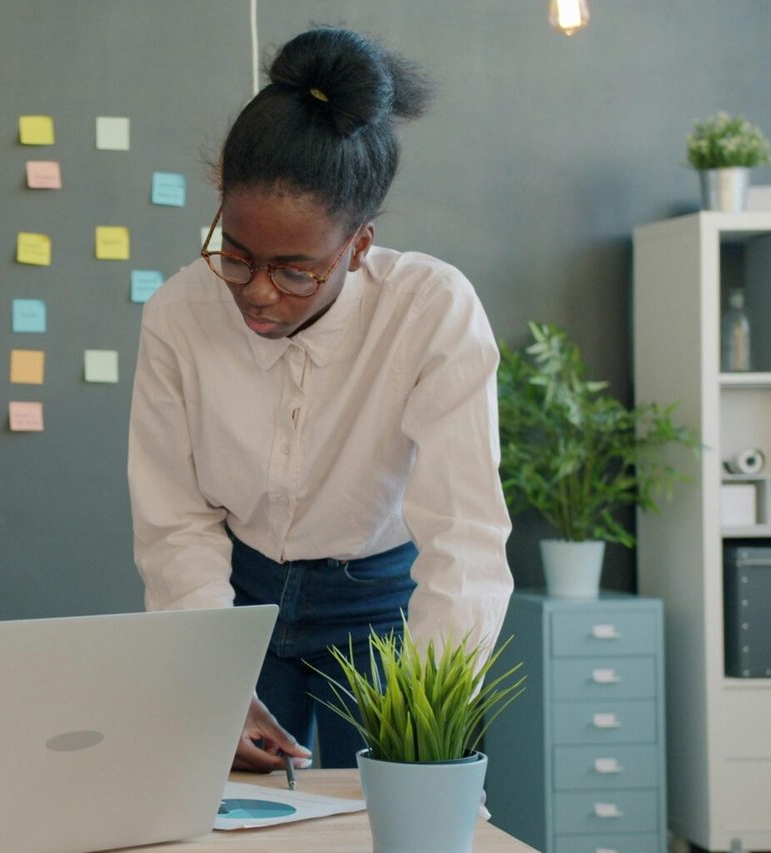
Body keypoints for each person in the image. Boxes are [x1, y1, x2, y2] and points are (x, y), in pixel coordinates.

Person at [128, 27, 513, 772]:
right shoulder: (179, 312)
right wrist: (208, 677)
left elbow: (463, 536)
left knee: (396, 812)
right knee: (217, 805)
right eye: (236, 256)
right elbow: (175, 521)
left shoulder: (431, 310)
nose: (259, 293)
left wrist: (429, 705)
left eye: (296, 270)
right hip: (238, 605)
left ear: (360, 246)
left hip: (384, 610)